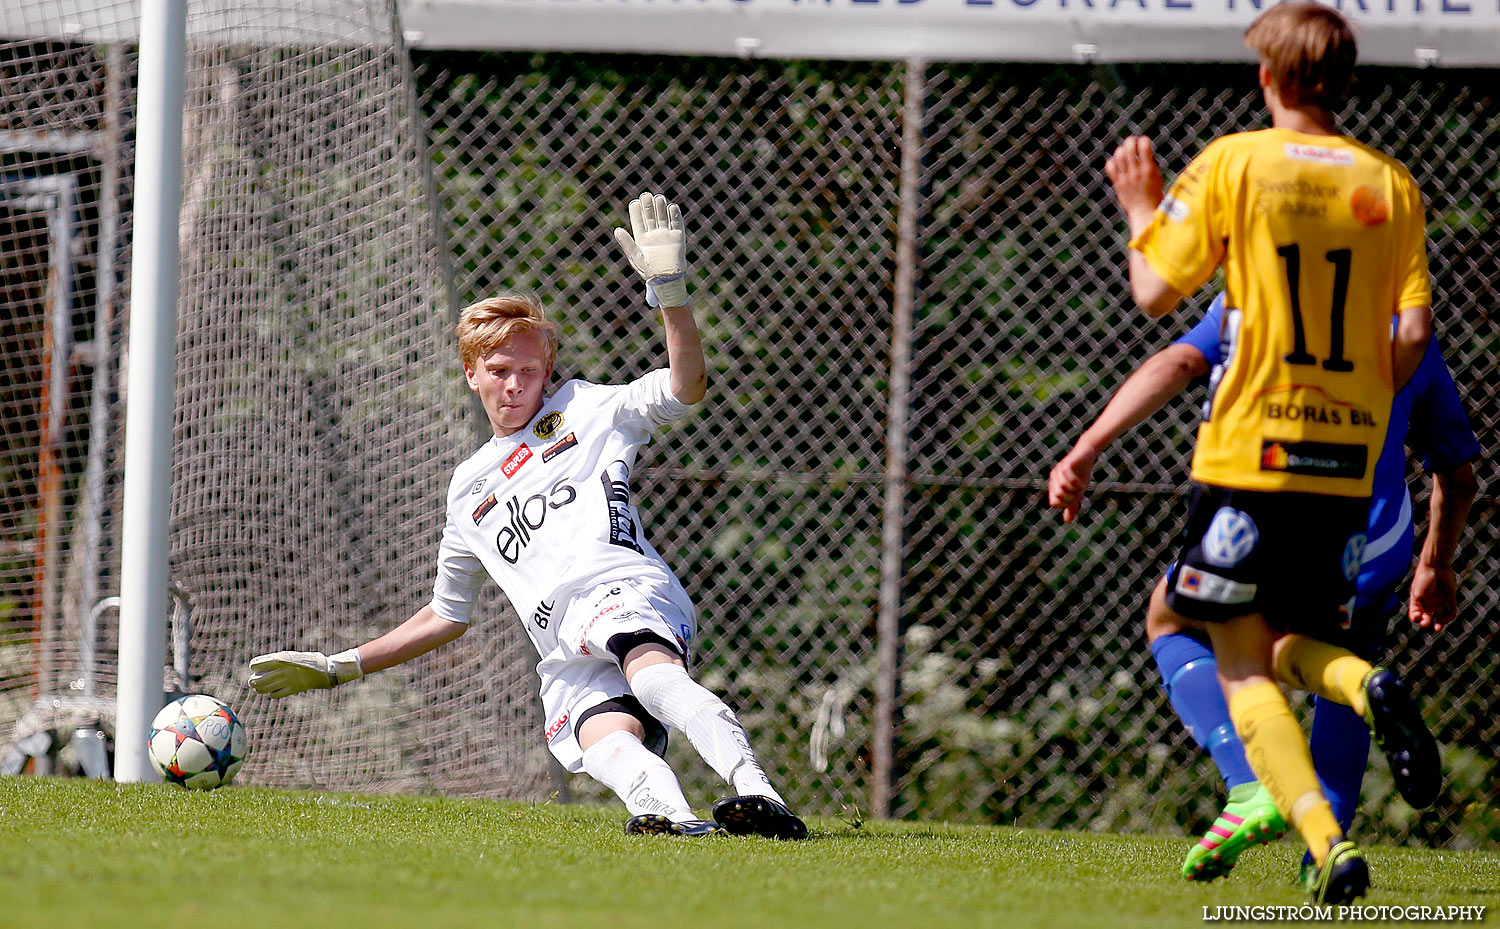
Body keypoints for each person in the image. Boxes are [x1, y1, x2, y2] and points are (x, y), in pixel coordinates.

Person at [249, 192, 807, 841]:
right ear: (471, 374)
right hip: (563, 640)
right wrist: (337, 665)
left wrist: (671, 294)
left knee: (653, 678)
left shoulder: (587, 408)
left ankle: (760, 793)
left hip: (620, 587)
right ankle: (679, 822)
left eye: (530, 370)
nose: (517, 385)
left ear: (547, 372)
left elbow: (687, 385)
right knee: (602, 740)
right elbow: (444, 615)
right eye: (500, 370)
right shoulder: (467, 490)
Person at [1101, 1, 1437, 903]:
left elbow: (1153, 293)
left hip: (1251, 454)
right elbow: (1410, 340)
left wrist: (1139, 205)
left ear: (1269, 78)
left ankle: (1330, 790)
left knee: (1227, 650)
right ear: (1343, 81)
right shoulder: (1390, 184)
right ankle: (1347, 759)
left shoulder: (1236, 162)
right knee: (1296, 642)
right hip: (1345, 463)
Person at [1048, 292, 1479, 887]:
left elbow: (1173, 355)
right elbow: (1456, 474)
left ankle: (1253, 783)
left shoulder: (1254, 288)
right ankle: (1328, 841)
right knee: (1335, 658)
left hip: (1266, 515)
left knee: (1183, 623)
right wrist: (1437, 564)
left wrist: (1089, 444)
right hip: (1378, 537)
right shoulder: (1402, 323)